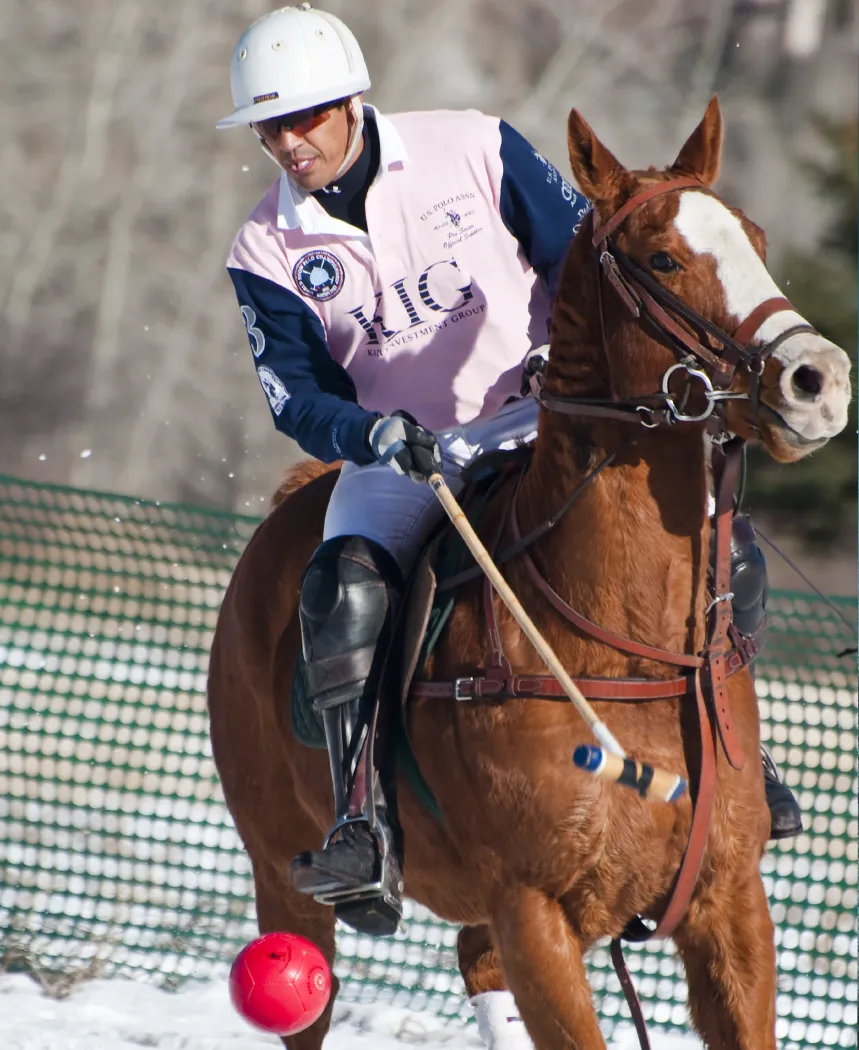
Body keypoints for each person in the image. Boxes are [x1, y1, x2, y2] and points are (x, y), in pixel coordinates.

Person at [217, 3, 801, 938]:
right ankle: (363, 819)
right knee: (341, 593)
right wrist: (369, 434)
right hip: (406, 457)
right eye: (270, 125)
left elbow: (586, 259)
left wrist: (570, 369)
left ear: (353, 101)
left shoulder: (474, 146)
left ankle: (741, 771)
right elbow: (293, 394)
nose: (290, 141)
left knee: (726, 549)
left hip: (548, 419)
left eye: (307, 117)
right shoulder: (265, 248)